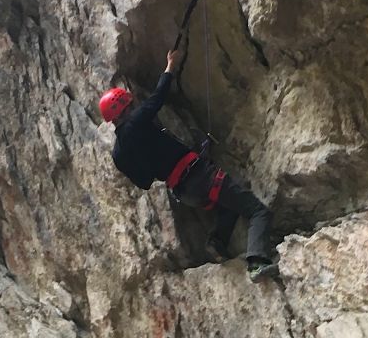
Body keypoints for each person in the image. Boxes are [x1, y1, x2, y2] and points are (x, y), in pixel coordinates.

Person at [100, 49, 276, 281]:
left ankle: (217, 242)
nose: (133, 107)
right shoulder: (135, 122)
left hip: (183, 191)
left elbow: (144, 182)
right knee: (257, 211)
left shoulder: (118, 154)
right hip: (199, 176)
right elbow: (157, 99)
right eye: (129, 105)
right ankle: (257, 263)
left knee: (229, 205)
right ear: (123, 109)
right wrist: (170, 66)